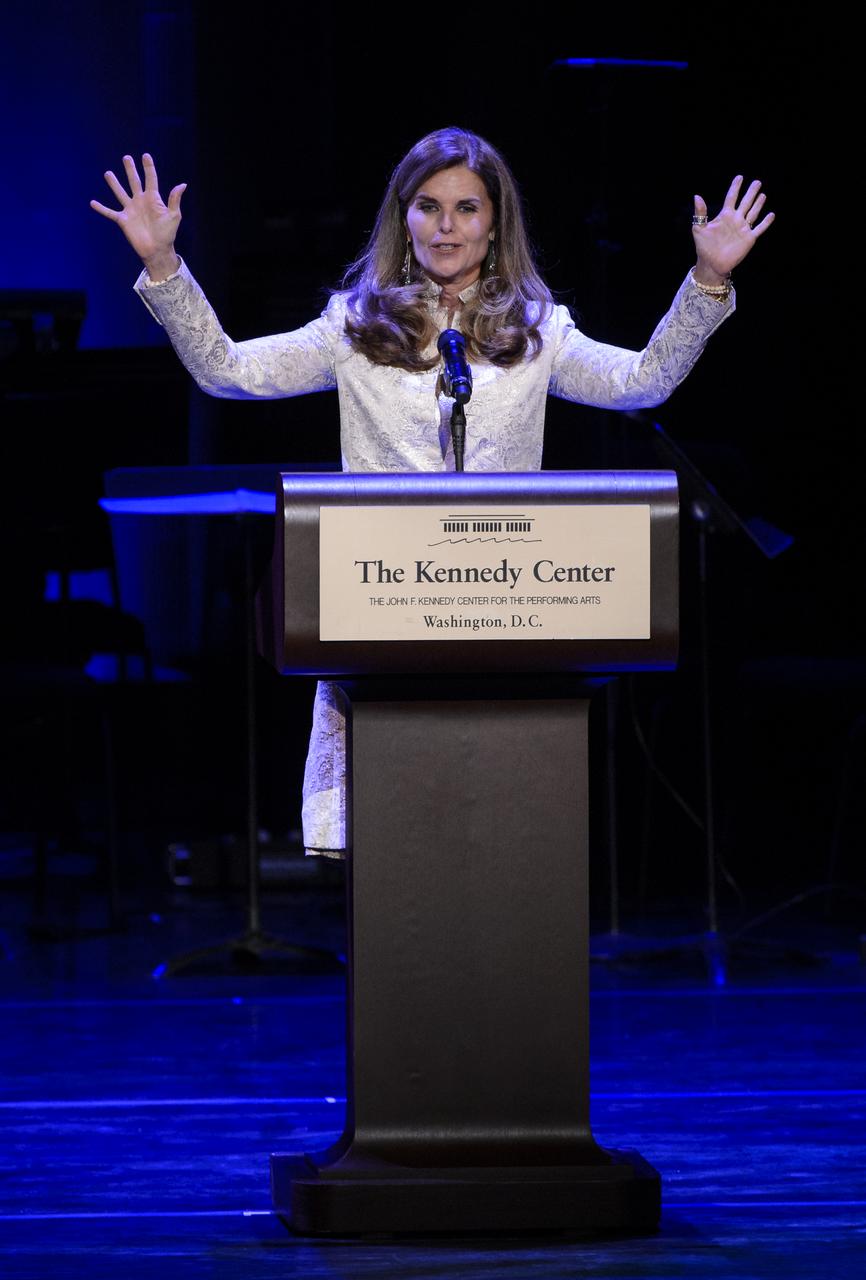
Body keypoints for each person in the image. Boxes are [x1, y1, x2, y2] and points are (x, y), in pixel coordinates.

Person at [92, 126, 774, 858]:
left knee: (495, 844)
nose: (447, 226)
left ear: (494, 224)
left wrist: (707, 281)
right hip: (380, 603)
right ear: (403, 218)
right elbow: (226, 370)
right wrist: (162, 261)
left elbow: (644, 381)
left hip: (507, 603)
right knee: (402, 854)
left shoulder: (540, 330)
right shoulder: (352, 326)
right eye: (429, 206)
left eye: (467, 208)